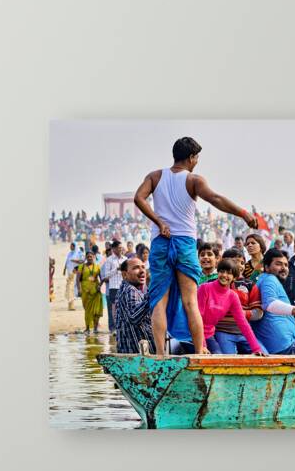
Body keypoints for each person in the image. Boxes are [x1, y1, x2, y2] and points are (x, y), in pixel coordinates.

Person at [133, 135, 254, 357]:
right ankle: (199, 350)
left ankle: (160, 353)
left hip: (161, 241)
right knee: (190, 301)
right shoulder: (193, 180)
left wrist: (159, 222)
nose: (197, 161)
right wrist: (243, 213)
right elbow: (215, 199)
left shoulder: (155, 176)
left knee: (159, 300)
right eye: (196, 157)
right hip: (185, 242)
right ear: (191, 157)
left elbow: (138, 198)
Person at [199, 256, 266, 355]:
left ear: (234, 277)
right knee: (218, 358)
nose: (224, 275)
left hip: (208, 334)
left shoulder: (232, 296)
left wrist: (256, 349)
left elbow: (243, 323)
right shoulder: (204, 288)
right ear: (218, 272)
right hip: (195, 333)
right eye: (222, 271)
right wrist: (202, 345)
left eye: (229, 273)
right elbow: (198, 317)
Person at [112, 257, 153, 354]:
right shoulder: (130, 289)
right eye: (136, 268)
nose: (142, 271)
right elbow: (134, 317)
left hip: (129, 351)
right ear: (124, 274)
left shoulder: (126, 289)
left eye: (143, 267)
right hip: (136, 352)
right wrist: (152, 294)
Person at [77, 248, 105, 335]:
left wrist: (99, 286)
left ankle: (95, 328)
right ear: (86, 257)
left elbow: (102, 278)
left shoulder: (97, 267)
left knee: (96, 311)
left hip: (95, 292)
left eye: (91, 256)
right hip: (85, 291)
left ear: (94, 257)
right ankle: (88, 328)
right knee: (87, 310)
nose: (90, 258)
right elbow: (77, 279)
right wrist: (79, 289)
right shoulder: (81, 267)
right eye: (88, 256)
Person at [100, 240, 125, 331]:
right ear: (113, 249)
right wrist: (117, 269)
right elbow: (106, 275)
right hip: (113, 287)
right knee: (114, 309)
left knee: (124, 308)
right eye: (119, 248)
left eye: (121, 247)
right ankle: (115, 328)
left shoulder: (125, 259)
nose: (121, 249)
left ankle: (122, 328)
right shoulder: (109, 260)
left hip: (123, 287)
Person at [62, 242, 81, 309]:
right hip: (69, 273)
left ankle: (72, 305)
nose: (70, 247)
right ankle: (70, 305)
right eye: (70, 246)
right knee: (69, 288)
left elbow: (81, 261)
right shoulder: (69, 253)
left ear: (74, 246)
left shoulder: (78, 253)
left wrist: (74, 260)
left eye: (71, 246)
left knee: (72, 289)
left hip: (75, 273)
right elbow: (67, 261)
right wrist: (64, 269)